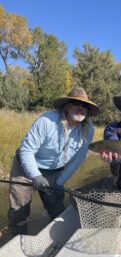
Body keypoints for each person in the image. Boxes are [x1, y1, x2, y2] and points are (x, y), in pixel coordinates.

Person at [8, 87, 100, 236]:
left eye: (85, 106)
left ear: (88, 111)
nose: (81, 108)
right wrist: (35, 175)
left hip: (54, 171)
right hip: (24, 169)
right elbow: (26, 150)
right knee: (19, 211)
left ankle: (57, 237)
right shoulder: (46, 120)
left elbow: (78, 159)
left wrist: (60, 181)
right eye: (76, 103)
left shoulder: (88, 129)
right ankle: (18, 239)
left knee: (56, 208)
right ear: (67, 106)